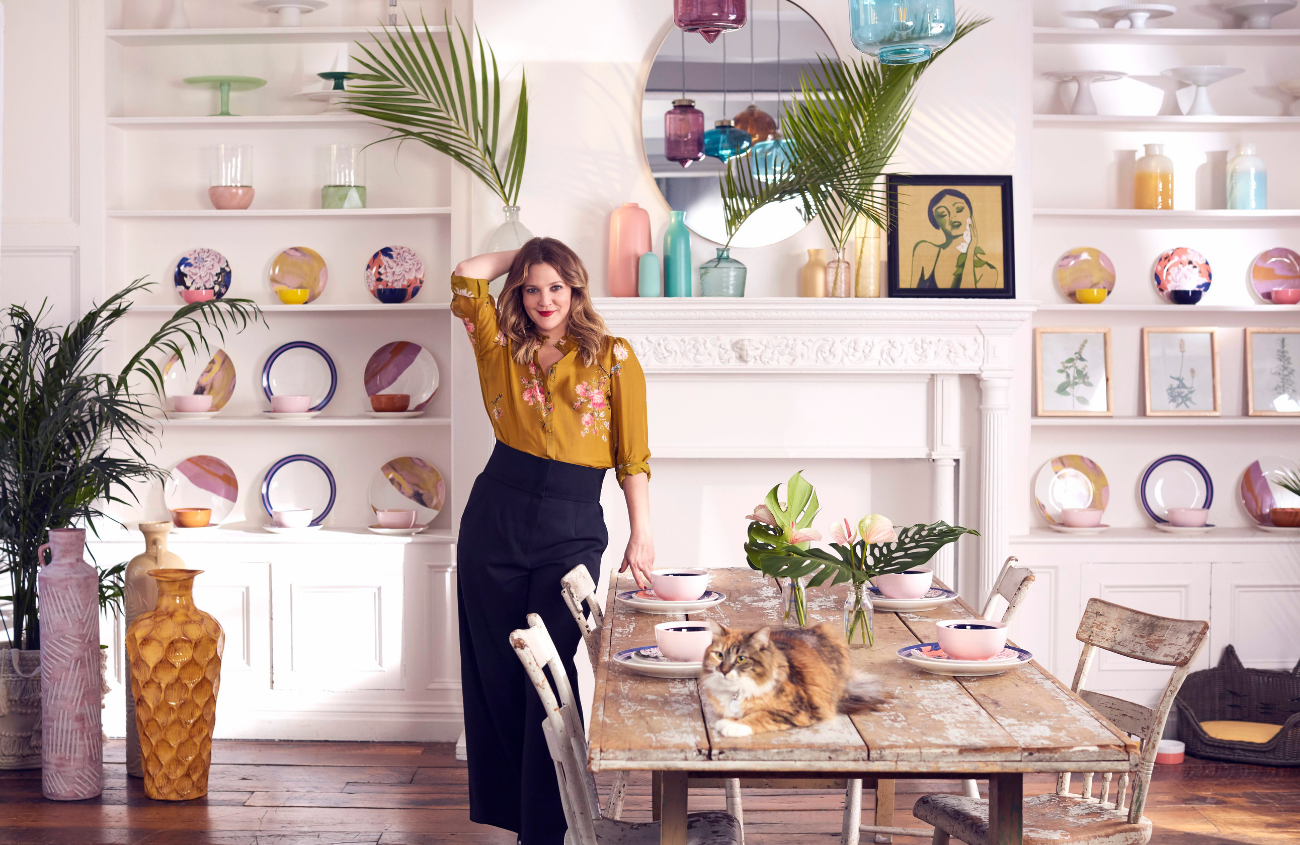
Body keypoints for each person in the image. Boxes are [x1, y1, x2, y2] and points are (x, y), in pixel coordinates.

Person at [450, 238, 655, 845]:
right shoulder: (499, 345)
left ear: (576, 290)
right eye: (532, 287)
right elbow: (465, 276)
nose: (544, 300)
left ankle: (545, 826)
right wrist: (524, 249)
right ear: (518, 289)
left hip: (572, 524)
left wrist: (642, 533)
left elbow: (632, 456)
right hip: (496, 518)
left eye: (557, 288)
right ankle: (524, 823)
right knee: (498, 670)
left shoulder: (614, 356)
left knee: (549, 667)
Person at [906, 188, 1000, 290]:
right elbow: (908, 299)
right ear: (935, 222)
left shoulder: (988, 271)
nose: (952, 216)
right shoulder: (924, 251)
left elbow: (968, 302)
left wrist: (970, 251)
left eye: (959, 209)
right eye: (943, 214)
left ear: (970, 213)